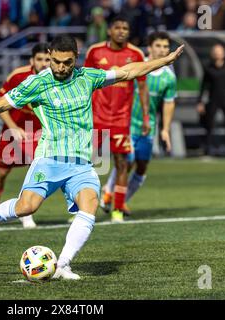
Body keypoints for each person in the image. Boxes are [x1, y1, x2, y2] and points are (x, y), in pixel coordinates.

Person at [0, 35, 184, 280]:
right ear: (50, 56)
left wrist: (164, 61)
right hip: (50, 158)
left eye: (67, 62)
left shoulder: (87, 77)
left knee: (89, 205)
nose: (61, 67)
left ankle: (63, 265)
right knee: (26, 207)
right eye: (56, 61)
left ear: (75, 59)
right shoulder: (36, 83)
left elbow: (128, 72)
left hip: (81, 162)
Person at [84, 14, 150, 222]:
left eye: (125, 28)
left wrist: (146, 117)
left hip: (122, 120)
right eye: (118, 27)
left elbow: (142, 86)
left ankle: (117, 210)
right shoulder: (95, 52)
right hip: (96, 119)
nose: (122, 31)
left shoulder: (136, 54)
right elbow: (85, 83)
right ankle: (82, 209)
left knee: (122, 164)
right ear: (109, 30)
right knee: (87, 165)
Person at [104, 32, 177, 214]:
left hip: (148, 126)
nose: (162, 50)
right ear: (150, 47)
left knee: (142, 166)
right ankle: (111, 197)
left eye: (166, 47)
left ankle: (120, 199)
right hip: (126, 123)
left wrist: (166, 129)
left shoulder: (169, 78)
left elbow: (169, 103)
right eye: (158, 46)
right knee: (126, 162)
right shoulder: (136, 66)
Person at [0, 43, 50, 229]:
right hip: (14, 132)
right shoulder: (18, 76)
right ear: (32, 61)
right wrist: (13, 127)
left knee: (36, 172)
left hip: (40, 133)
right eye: (40, 59)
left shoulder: (58, 77)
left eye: (47, 59)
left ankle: (26, 212)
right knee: (2, 172)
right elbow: (0, 104)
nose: (44, 64)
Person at [197, 44, 225, 156]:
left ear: (224, 53)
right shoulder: (208, 68)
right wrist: (200, 102)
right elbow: (204, 86)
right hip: (213, 99)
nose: (217, 53)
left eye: (219, 51)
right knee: (209, 125)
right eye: (215, 51)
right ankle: (207, 150)